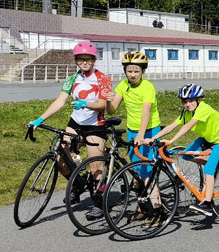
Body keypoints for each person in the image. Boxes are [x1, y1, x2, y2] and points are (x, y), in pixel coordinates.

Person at [28, 41, 111, 214]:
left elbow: (103, 104)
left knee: (95, 167)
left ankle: (98, 202)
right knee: (61, 160)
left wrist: (86, 104)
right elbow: (59, 101)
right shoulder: (72, 78)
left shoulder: (103, 78)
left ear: (94, 60)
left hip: (95, 125)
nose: (84, 62)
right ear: (76, 61)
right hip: (75, 123)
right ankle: (78, 185)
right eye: (81, 60)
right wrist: (39, 119)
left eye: (88, 59)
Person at [145, 84, 219, 218]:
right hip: (207, 138)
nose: (187, 104)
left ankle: (207, 203)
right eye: (184, 102)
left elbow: (187, 126)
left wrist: (171, 141)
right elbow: (172, 126)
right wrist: (153, 138)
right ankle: (213, 164)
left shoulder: (204, 109)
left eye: (191, 101)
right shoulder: (185, 112)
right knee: (186, 155)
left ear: (198, 100)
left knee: (208, 170)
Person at [106, 51, 161, 186]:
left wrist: (141, 135)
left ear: (143, 71)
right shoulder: (123, 85)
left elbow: (146, 112)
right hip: (133, 130)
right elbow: (112, 110)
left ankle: (155, 203)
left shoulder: (147, 87)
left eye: (136, 71)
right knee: (136, 168)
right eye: (129, 71)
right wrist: (108, 101)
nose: (132, 74)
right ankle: (142, 201)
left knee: (148, 168)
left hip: (150, 129)